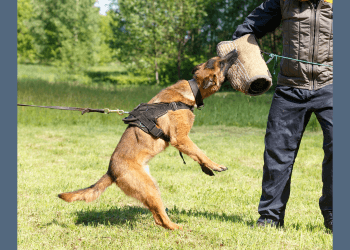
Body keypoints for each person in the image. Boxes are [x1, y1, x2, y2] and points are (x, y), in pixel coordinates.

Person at [232, 0, 333, 231]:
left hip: (333, 85)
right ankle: (270, 218)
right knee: (277, 152)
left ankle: (334, 215)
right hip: (289, 87)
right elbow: (248, 28)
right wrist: (244, 59)